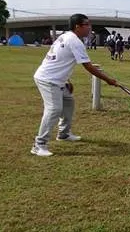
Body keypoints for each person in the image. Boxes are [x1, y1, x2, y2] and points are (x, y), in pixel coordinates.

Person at [31, 13, 119, 157]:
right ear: (77, 26)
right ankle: (39, 144)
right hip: (48, 79)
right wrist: (108, 80)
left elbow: (60, 60)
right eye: (87, 25)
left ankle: (64, 134)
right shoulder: (75, 41)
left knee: (69, 103)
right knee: (54, 109)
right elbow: (88, 67)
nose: (89, 28)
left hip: (57, 79)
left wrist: (66, 81)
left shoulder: (67, 36)